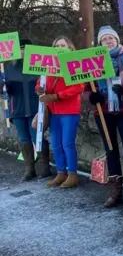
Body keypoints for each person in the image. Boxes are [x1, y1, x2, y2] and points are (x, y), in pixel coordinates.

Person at [86, 25, 123, 207]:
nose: (108, 42)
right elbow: (86, 88)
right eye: (104, 39)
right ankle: (116, 189)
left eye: (111, 38)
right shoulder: (93, 62)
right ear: (100, 43)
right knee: (111, 151)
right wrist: (92, 97)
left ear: (117, 40)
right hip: (104, 112)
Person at [36, 36, 84, 188]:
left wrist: (57, 96)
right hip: (54, 111)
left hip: (69, 110)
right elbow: (40, 82)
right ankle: (61, 172)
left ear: (70, 48)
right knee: (56, 144)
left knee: (67, 143)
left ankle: (72, 174)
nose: (59, 48)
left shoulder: (74, 64)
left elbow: (78, 87)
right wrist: (39, 89)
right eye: (57, 45)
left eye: (62, 45)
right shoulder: (48, 65)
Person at [1, 38, 51, 180]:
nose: (23, 52)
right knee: (24, 139)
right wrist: (2, 85)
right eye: (20, 49)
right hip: (17, 109)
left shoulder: (38, 66)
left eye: (25, 49)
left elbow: (45, 84)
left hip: (36, 108)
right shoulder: (9, 68)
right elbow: (4, 91)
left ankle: (44, 166)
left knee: (38, 137)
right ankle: (29, 168)